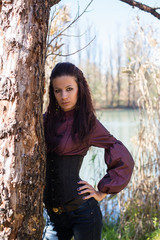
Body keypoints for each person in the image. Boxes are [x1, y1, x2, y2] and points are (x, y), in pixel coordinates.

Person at [42, 62, 134, 240]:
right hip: (53, 218)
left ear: (80, 89)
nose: (64, 96)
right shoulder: (45, 121)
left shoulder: (87, 123)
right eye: (57, 90)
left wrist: (102, 192)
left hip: (83, 214)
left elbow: (121, 155)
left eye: (69, 89)